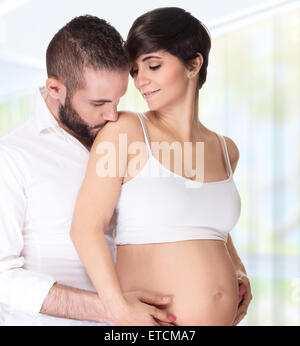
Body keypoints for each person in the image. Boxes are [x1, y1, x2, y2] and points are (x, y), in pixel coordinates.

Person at [70, 7, 252, 326]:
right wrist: (118, 308)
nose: (141, 82)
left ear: (194, 63)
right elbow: (85, 228)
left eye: (152, 65)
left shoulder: (226, 150)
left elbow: (206, 221)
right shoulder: (125, 131)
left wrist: (238, 267)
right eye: (135, 71)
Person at [0, 15, 176, 326]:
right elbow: (3, 280)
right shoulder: (11, 156)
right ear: (55, 88)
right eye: (98, 103)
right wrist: (113, 309)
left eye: (118, 99)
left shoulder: (123, 138)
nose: (112, 115)